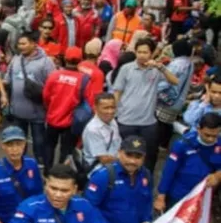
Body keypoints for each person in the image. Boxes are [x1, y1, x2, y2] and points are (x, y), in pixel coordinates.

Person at [84, 136, 153, 223]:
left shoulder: (146, 175)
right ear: (120, 152)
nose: (132, 161)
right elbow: (89, 208)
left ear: (144, 158)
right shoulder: (103, 176)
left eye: (138, 157)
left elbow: (147, 201)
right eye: (128, 155)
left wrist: (146, 221)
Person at [113, 37, 179, 171]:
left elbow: (175, 81)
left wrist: (161, 68)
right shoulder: (126, 68)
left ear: (152, 53)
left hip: (148, 123)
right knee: (124, 155)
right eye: (139, 52)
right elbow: (117, 92)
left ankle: (145, 182)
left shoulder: (156, 70)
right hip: (126, 121)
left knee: (149, 157)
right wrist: (114, 113)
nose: (142, 55)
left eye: (145, 52)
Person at [6, 32, 56, 166]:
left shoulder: (46, 62)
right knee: (19, 140)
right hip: (18, 111)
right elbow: (7, 80)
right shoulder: (16, 59)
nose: (20, 46)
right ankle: (21, 163)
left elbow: (53, 86)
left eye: (24, 43)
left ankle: (40, 164)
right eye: (19, 44)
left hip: (38, 112)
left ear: (34, 44)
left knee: (39, 141)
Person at [42, 46, 95, 171]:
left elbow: (45, 96)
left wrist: (50, 109)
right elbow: (89, 101)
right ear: (80, 60)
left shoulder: (54, 75)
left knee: (49, 146)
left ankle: (47, 172)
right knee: (66, 150)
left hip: (52, 118)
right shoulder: (85, 79)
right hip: (71, 122)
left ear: (65, 58)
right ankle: (61, 173)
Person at [156, 113, 221, 212]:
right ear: (199, 129)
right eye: (207, 135)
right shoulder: (182, 144)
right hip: (179, 195)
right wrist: (161, 196)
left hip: (202, 195)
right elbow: (169, 171)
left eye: (215, 136)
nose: (211, 139)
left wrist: (217, 175)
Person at [82, 93, 122, 170]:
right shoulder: (93, 129)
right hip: (100, 168)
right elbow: (104, 160)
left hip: (115, 162)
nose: (110, 111)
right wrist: (126, 159)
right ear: (95, 108)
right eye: (106, 108)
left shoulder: (113, 121)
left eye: (112, 107)